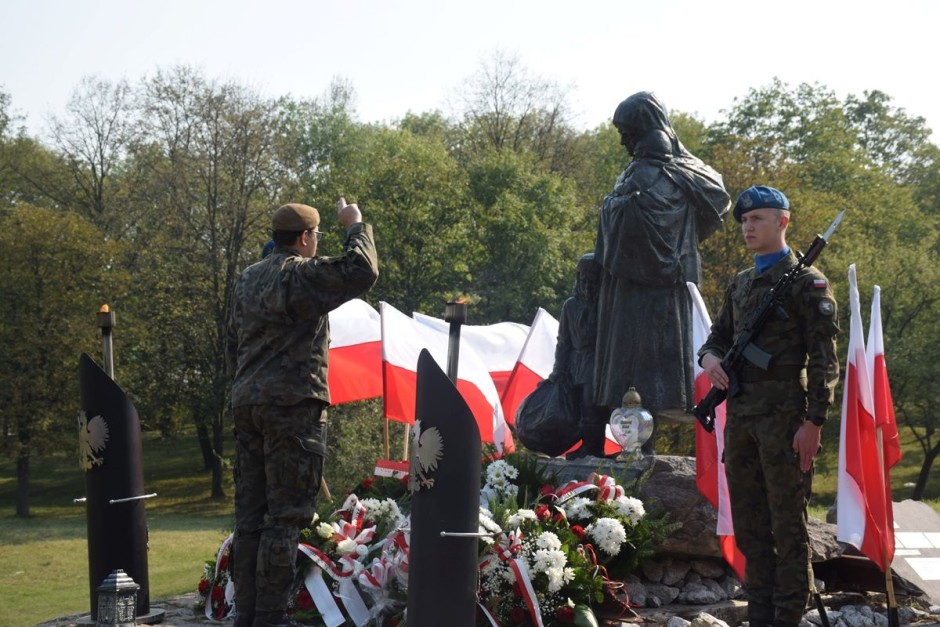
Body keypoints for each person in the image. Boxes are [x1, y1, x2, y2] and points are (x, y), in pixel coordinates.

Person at [225, 197, 379, 627]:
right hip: (292, 409)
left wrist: (246, 388)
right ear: (306, 238)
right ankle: (269, 618)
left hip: (247, 404)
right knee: (285, 517)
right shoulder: (300, 275)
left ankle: (247, 615)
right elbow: (361, 270)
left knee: (251, 517)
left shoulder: (246, 280)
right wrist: (356, 225)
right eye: (316, 237)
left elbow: (231, 346)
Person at [698, 185, 839, 627]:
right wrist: (710, 359)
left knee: (789, 529)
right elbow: (717, 336)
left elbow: (824, 360)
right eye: (743, 220)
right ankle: (759, 614)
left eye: (757, 218)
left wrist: (814, 421)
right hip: (741, 420)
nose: (748, 227)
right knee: (751, 528)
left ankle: (787, 618)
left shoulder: (806, 284)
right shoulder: (741, 283)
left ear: (783, 221)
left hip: (785, 420)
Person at [593, 91, 730, 452]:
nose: (622, 139)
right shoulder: (679, 172)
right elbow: (715, 200)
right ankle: (638, 443)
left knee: (642, 367)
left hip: (647, 290)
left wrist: (617, 208)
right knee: (643, 370)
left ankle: (642, 444)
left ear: (642, 127)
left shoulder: (648, 173)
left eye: (626, 131)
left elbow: (716, 201)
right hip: (657, 284)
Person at [549, 252, 609, 458]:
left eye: (592, 281)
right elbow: (563, 341)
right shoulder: (570, 306)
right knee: (580, 409)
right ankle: (587, 445)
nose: (587, 285)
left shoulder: (607, 306)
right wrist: (558, 369)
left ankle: (594, 448)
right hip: (575, 364)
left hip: (597, 364)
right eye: (583, 280)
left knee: (592, 408)